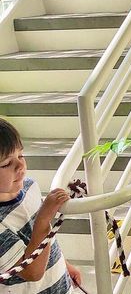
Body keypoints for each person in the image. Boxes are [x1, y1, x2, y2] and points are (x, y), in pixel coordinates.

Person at [0, 118, 82, 293]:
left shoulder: (30, 187)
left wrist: (62, 264)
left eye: (20, 155)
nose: (20, 165)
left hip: (59, 286)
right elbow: (32, 271)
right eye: (7, 163)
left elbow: (45, 241)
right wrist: (44, 218)